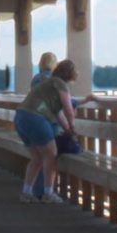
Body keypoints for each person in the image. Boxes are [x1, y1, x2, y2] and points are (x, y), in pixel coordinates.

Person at [14, 58, 78, 202]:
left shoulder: (48, 84)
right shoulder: (61, 84)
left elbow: (57, 112)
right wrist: (72, 126)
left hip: (21, 118)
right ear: (70, 74)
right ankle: (48, 193)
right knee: (51, 154)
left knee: (36, 158)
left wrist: (67, 129)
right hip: (36, 118)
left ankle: (26, 193)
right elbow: (68, 109)